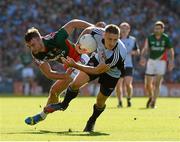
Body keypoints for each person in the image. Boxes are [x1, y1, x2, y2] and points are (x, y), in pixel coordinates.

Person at [44, 24, 127, 132]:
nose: (112, 43)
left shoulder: (117, 55)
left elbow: (97, 71)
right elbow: (88, 30)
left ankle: (91, 121)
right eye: (109, 39)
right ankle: (63, 105)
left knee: (100, 101)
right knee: (75, 84)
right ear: (103, 35)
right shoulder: (98, 32)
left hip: (112, 73)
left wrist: (75, 65)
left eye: (115, 40)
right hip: (97, 60)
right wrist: (79, 43)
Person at [24, 19, 94, 125]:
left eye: (33, 45)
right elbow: (48, 73)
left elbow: (73, 23)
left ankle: (64, 101)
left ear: (39, 39)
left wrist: (93, 28)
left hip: (80, 60)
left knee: (67, 85)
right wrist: (64, 75)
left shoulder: (55, 39)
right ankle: (45, 114)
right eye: (30, 46)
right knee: (54, 91)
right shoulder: (36, 54)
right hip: (70, 66)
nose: (32, 49)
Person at [140, 21, 174, 108]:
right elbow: (146, 48)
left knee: (157, 83)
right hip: (151, 61)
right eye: (156, 28)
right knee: (147, 84)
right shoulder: (150, 37)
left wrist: (171, 62)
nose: (157, 30)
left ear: (162, 29)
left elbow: (170, 50)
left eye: (159, 28)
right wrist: (143, 58)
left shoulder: (165, 38)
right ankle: (151, 97)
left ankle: (154, 102)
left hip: (161, 62)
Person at [115, 22, 140, 108]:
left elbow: (137, 51)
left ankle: (129, 99)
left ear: (129, 30)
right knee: (118, 85)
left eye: (126, 28)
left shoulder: (133, 40)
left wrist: (132, 52)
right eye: (122, 28)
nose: (124, 30)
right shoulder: (116, 39)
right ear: (119, 29)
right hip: (118, 65)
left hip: (129, 65)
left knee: (128, 84)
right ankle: (120, 102)